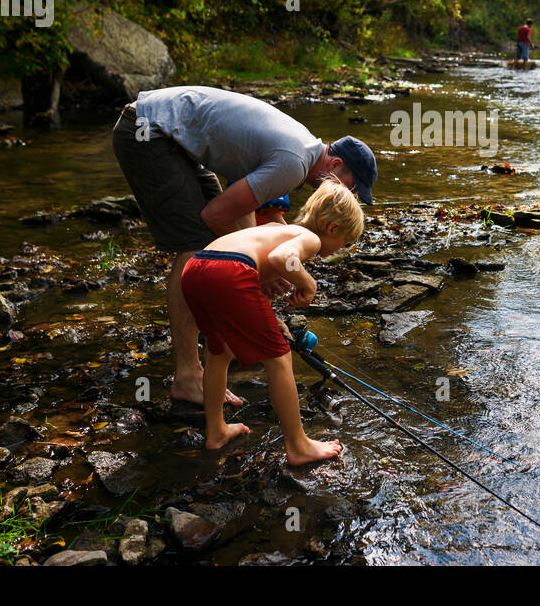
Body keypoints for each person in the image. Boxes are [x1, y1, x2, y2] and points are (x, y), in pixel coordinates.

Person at [110, 86, 377, 406]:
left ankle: (219, 340)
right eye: (353, 188)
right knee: (198, 245)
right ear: (334, 166)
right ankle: (187, 376)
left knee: (221, 250)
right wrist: (255, 271)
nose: (351, 197)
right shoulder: (294, 163)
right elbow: (216, 215)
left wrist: (254, 271)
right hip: (146, 131)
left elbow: (243, 208)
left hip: (167, 135)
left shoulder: (301, 147)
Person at [180, 179, 364, 462]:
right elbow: (282, 258)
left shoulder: (275, 228)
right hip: (229, 270)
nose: (341, 248)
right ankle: (299, 446)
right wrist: (308, 284)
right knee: (279, 357)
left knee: (219, 350)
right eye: (344, 242)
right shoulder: (310, 239)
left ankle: (215, 430)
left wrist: (271, 318)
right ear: (332, 228)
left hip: (196, 267)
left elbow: (250, 278)